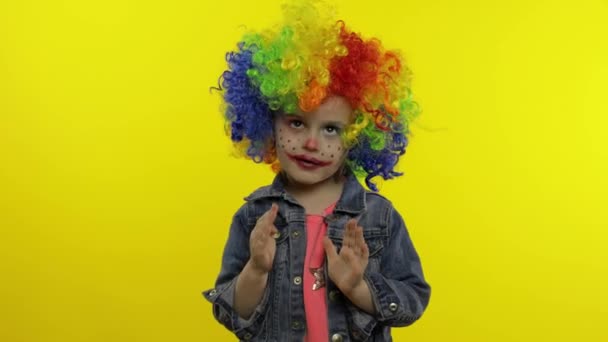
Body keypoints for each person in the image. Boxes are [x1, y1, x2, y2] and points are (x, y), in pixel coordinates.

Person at [203, 1, 431, 341]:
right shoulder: (254, 217)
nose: (311, 143)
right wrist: (256, 269)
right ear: (268, 122)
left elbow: (413, 300)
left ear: (357, 136)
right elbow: (230, 312)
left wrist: (357, 287)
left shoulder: (378, 217)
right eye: (296, 123)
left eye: (331, 130)